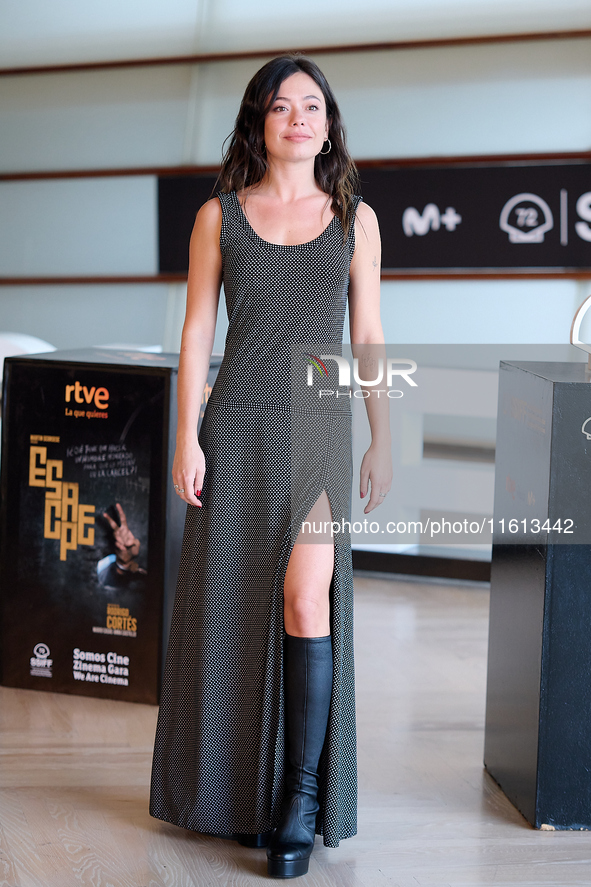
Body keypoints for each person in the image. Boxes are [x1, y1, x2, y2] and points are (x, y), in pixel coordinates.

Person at [149, 54, 392, 879]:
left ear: (328, 123)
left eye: (312, 105)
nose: (298, 117)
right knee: (232, 601)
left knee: (302, 595)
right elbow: (193, 333)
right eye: (281, 105)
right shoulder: (219, 216)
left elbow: (368, 335)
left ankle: (299, 796)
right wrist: (186, 435)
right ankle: (232, 793)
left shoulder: (355, 217)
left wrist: (380, 433)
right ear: (260, 121)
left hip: (319, 423)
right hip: (238, 422)